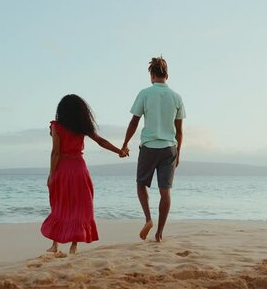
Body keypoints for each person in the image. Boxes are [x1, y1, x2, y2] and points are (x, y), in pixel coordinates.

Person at [41, 94, 128, 255]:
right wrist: (119, 151)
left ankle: (55, 245)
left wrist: (51, 175)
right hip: (79, 169)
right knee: (79, 206)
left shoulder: (56, 127)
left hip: (63, 169)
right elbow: (101, 141)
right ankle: (74, 246)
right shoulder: (82, 127)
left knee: (60, 205)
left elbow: (56, 153)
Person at [122, 57, 185, 242]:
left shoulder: (145, 93)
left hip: (149, 147)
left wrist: (125, 144)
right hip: (169, 148)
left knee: (141, 184)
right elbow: (179, 131)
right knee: (165, 191)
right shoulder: (176, 97)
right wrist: (178, 153)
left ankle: (148, 219)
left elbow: (134, 121)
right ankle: (159, 234)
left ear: (152, 75)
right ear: (167, 75)